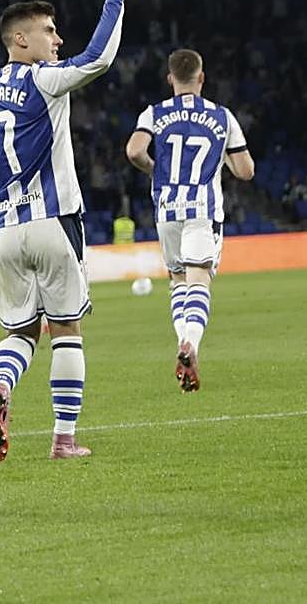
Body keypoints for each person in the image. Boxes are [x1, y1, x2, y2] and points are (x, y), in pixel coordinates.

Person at [0, 0, 134, 462]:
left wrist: (9, 197)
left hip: (4, 228)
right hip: (54, 220)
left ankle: (2, 385)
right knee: (66, 329)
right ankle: (63, 439)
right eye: (49, 30)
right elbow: (98, 58)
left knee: (20, 332)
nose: (58, 40)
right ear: (20, 39)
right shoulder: (43, 79)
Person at [125, 48, 254, 392]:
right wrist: (223, 158)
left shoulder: (154, 113)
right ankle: (191, 344)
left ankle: (183, 341)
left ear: (171, 79)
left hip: (167, 208)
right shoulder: (222, 116)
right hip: (202, 209)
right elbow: (246, 171)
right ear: (201, 77)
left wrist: (155, 170)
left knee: (178, 281)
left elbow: (134, 150)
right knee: (199, 279)